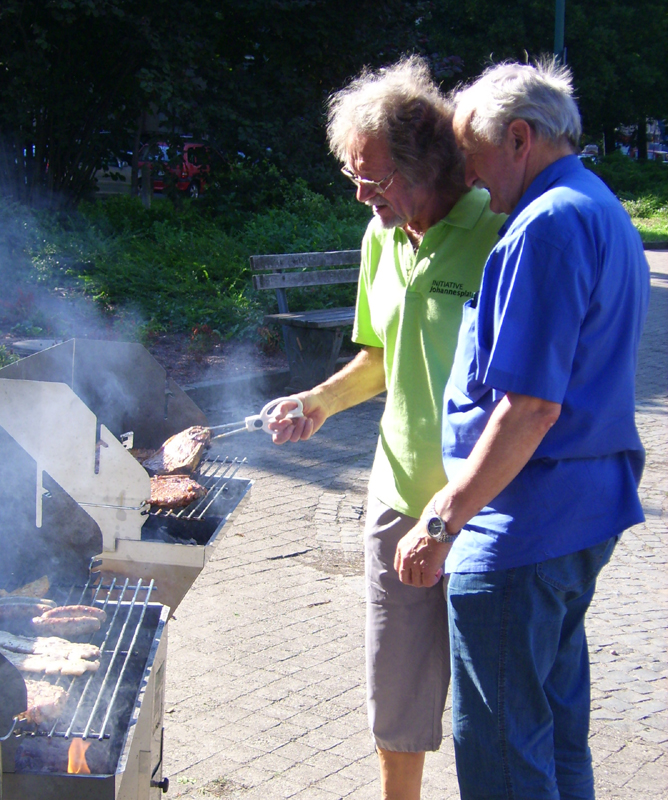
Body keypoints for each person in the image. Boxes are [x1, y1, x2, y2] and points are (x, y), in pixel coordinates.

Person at [394, 60, 650, 800]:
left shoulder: (544, 227)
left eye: (475, 161)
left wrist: (442, 520)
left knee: (504, 754)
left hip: (522, 531)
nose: (473, 182)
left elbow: (531, 408)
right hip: (577, 520)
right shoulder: (600, 206)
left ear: (518, 138)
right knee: (556, 735)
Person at [268, 55, 505, 800]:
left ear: (427, 163)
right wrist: (318, 402)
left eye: (375, 177)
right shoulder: (380, 239)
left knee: (491, 705)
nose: (362, 193)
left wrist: (456, 512)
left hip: (486, 506)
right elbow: (379, 357)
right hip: (396, 497)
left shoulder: (498, 231)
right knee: (396, 702)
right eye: (354, 177)